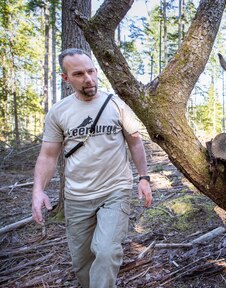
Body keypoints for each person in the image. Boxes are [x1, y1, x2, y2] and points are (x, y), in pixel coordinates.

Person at [31, 48, 152, 288]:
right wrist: (38, 190)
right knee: (82, 263)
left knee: (106, 251)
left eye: (91, 71)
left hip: (114, 190)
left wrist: (143, 177)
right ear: (66, 79)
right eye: (78, 74)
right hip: (77, 197)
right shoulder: (59, 112)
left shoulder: (116, 105)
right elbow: (48, 155)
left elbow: (135, 141)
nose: (88, 78)